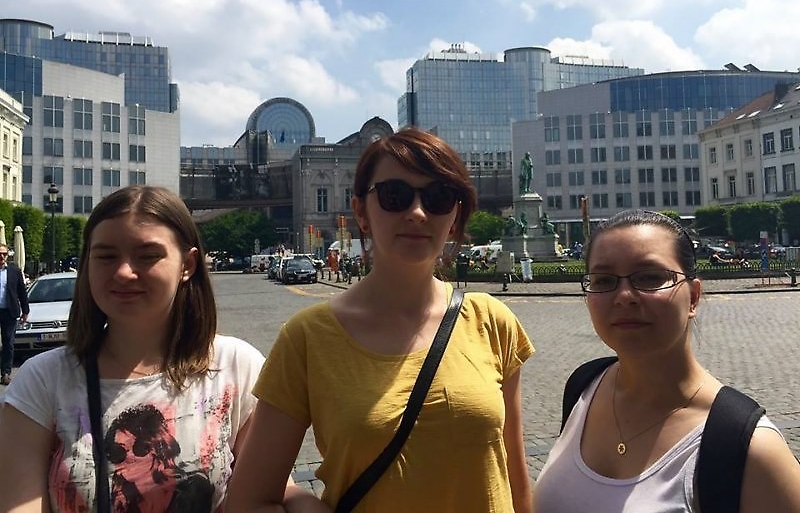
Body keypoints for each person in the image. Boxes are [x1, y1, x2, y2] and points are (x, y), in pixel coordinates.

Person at [228, 128, 535, 512]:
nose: (418, 212)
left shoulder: (492, 321)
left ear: (454, 215)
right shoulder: (307, 338)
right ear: (361, 212)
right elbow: (250, 499)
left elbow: (515, 476)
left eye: (438, 197)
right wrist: (306, 506)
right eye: (395, 195)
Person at [0, 186, 312, 512]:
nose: (123, 271)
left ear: (188, 264)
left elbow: (274, 490)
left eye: (147, 255)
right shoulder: (41, 380)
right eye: (106, 256)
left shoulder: (236, 366)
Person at [533, 209, 800, 512]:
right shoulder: (583, 388)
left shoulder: (751, 450)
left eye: (650, 277)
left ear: (693, 297)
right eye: (604, 280)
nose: (624, 296)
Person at [0, 243, 29, 385]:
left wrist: (25, 311)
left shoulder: (14, 271)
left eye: (4, 254)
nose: (2, 256)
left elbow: (22, 292)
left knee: (8, 343)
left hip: (9, 311)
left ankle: (5, 373)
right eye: (0, 254)